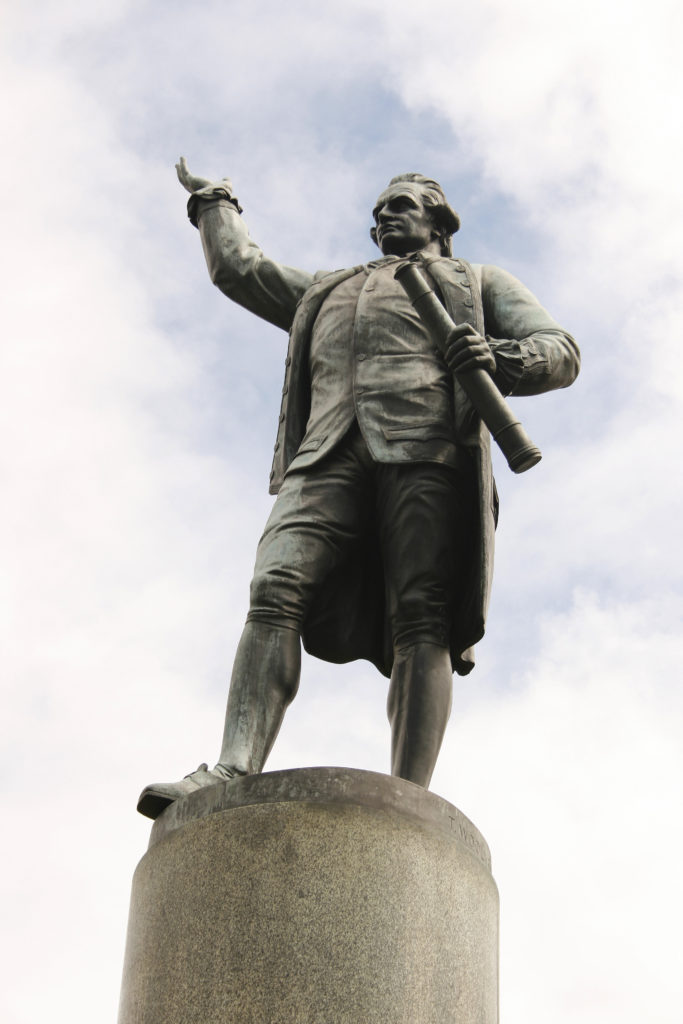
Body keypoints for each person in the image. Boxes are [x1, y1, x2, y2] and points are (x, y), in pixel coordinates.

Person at [137, 162, 580, 819]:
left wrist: (499, 357)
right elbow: (241, 271)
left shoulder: (478, 282)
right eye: (377, 211)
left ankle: (407, 797)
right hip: (326, 455)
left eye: (400, 206)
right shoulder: (326, 290)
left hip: (426, 450)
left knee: (422, 617)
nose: (384, 218)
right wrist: (213, 200)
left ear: (439, 222)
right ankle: (230, 766)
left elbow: (559, 350)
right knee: (274, 589)